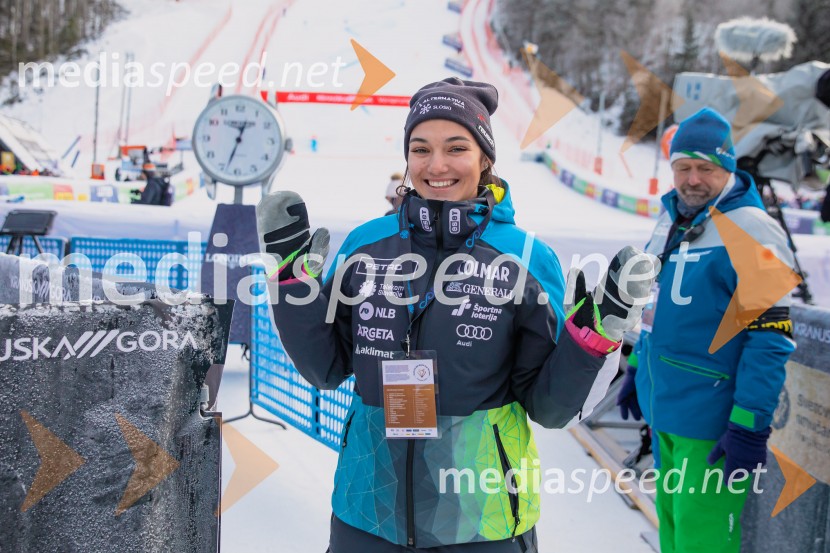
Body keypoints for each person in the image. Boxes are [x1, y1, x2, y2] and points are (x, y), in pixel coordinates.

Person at [257, 77, 654, 552]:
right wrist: (292, 284)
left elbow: (549, 407)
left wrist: (594, 336)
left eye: (456, 147)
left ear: (485, 158)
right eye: (420, 149)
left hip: (481, 523)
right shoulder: (366, 244)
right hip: (367, 511)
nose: (436, 165)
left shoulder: (525, 256)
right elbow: (326, 368)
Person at [617, 108, 797, 553]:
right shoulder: (671, 220)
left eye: (706, 169)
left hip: (712, 423)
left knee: (707, 540)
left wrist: (749, 425)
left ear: (728, 169)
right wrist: (637, 369)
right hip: (665, 411)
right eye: (683, 168)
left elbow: (770, 337)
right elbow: (654, 304)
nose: (693, 179)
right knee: (675, 531)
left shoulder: (754, 229)